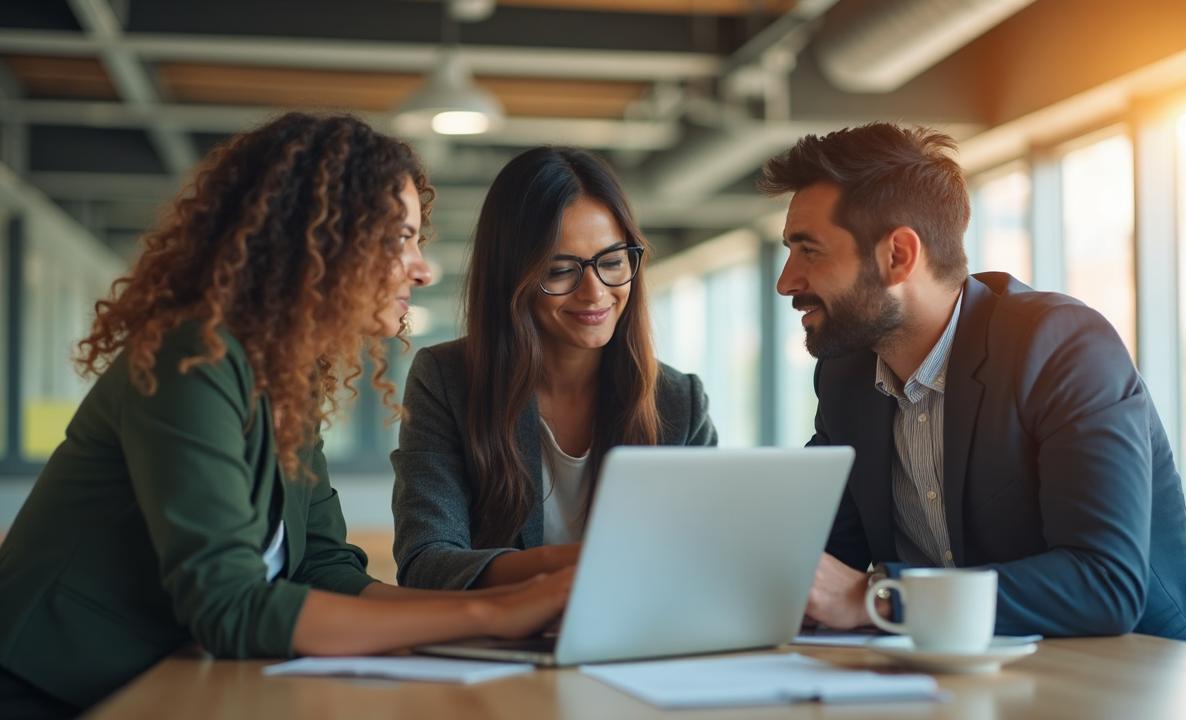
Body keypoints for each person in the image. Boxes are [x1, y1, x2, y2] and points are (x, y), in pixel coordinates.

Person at [0, 113, 571, 718]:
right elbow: (230, 606)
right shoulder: (192, 356)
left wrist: (502, 616)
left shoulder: (284, 383)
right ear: (314, 242)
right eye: (397, 239)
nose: (422, 267)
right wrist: (494, 613)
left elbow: (320, 567)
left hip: (154, 680)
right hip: (47, 689)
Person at [761, 123, 1186, 643]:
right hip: (960, 678)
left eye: (810, 251)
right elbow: (828, 565)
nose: (787, 281)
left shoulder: (1062, 347)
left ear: (898, 255)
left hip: (1141, 677)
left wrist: (881, 598)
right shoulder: (847, 375)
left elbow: (1105, 585)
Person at [392, 146, 717, 590]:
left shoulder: (679, 400)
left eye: (612, 262)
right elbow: (426, 562)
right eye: (561, 270)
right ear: (512, 277)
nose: (595, 292)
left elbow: (707, 556)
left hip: (638, 649)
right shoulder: (447, 380)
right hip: (499, 650)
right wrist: (588, 562)